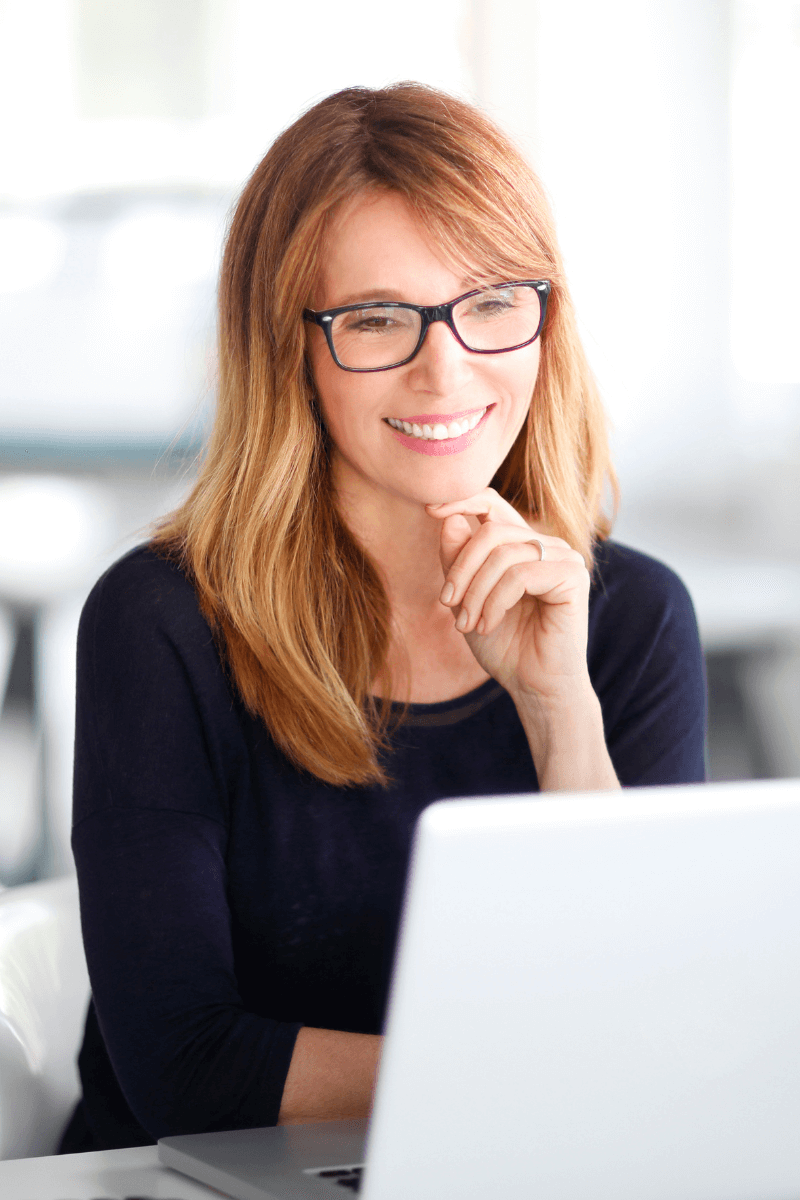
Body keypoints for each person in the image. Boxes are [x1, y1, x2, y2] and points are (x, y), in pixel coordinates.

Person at [59, 83, 706, 1153]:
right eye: (373, 319)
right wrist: (539, 1073)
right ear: (289, 350)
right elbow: (187, 1068)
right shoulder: (161, 623)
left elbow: (655, 1020)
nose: (443, 367)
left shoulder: (626, 617)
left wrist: (557, 709)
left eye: (492, 302)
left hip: (510, 1168)